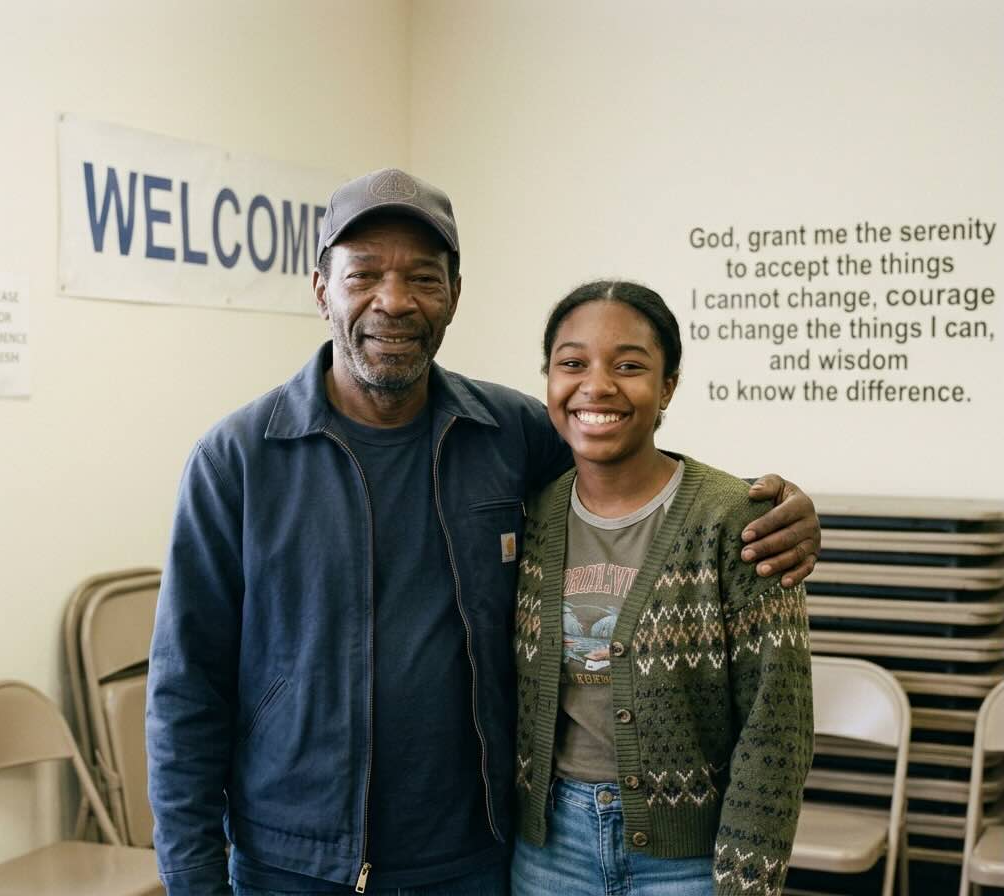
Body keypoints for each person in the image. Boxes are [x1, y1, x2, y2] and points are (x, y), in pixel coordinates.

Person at [146, 169, 821, 896]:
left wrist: (778, 508)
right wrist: (193, 879)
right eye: (364, 274)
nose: (394, 301)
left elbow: (630, 471)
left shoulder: (509, 433)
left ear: (454, 296)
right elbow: (187, 688)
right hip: (292, 864)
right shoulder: (240, 458)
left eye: (423, 279)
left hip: (474, 856)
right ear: (321, 290)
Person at [511, 281, 814, 896]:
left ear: (668, 385)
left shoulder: (737, 518)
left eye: (629, 366)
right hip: (548, 848)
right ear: (549, 379)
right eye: (572, 363)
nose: (597, 386)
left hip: (689, 862)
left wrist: (746, 880)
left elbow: (776, 721)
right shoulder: (528, 514)